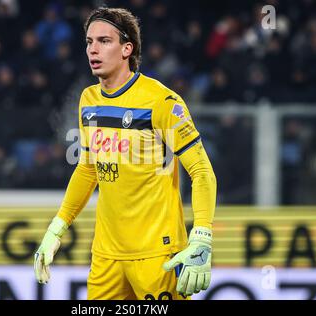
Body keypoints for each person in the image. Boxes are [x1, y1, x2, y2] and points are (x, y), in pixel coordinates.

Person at [34, 7, 217, 300]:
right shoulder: (89, 100)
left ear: (127, 49)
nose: (93, 49)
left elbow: (202, 171)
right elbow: (88, 169)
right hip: (106, 256)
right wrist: (56, 228)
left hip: (158, 254)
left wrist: (202, 236)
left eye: (104, 41)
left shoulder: (162, 101)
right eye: (89, 42)